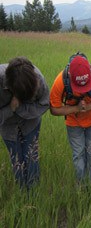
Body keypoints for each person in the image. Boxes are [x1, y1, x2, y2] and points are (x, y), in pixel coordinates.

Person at [50, 53, 91, 183]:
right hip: (73, 123)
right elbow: (54, 109)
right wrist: (76, 109)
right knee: (78, 154)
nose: (81, 91)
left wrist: (88, 106)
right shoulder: (61, 81)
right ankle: (81, 186)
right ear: (70, 76)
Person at [0, 57, 49, 189]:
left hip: (31, 122)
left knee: (31, 156)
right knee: (16, 159)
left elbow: (44, 104)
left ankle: (33, 193)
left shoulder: (37, 78)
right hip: (8, 127)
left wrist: (21, 108)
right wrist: (10, 108)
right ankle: (21, 191)